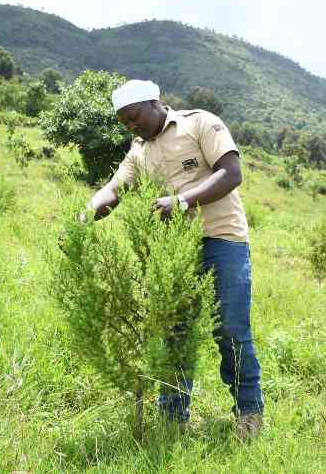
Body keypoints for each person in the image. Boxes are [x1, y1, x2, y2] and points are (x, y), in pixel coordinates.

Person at [83, 79, 264, 440]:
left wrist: (181, 202)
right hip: (175, 251)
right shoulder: (138, 151)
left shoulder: (199, 124)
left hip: (222, 240)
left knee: (230, 329)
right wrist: (84, 217)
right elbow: (113, 190)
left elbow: (231, 173)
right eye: (125, 123)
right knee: (174, 333)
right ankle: (172, 419)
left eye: (134, 117)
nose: (132, 126)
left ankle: (249, 414)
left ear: (154, 103)